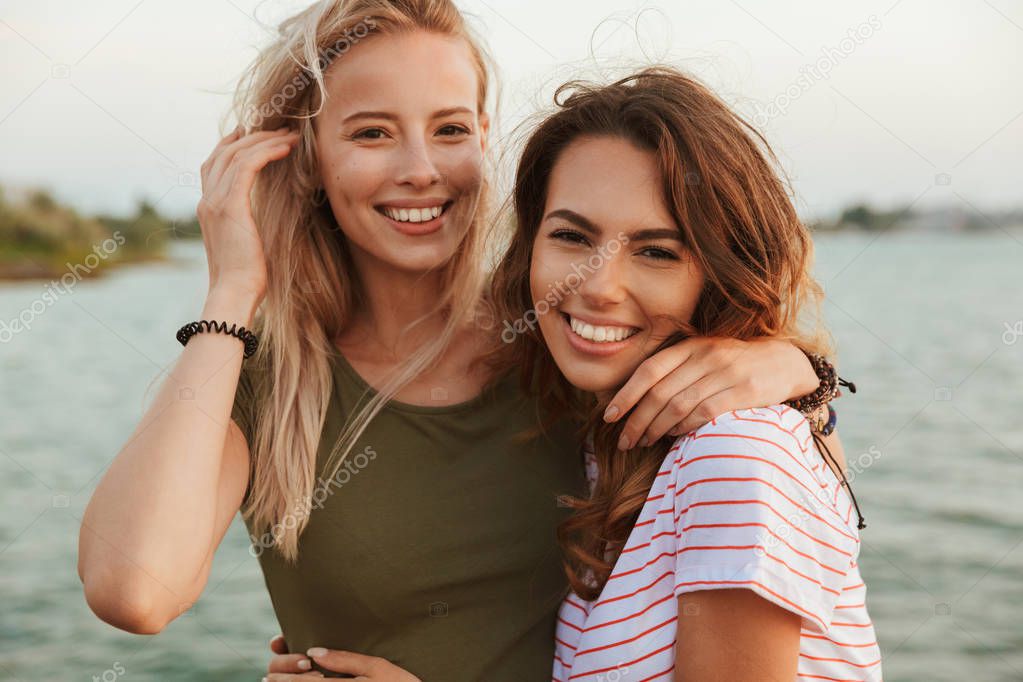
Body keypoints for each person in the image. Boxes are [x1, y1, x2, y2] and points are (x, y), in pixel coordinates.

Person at [76, 2, 836, 680]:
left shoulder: (562, 335)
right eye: (372, 133)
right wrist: (233, 290)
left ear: (482, 138)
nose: (419, 171)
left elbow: (755, 476)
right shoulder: (266, 379)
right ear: (305, 158)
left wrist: (799, 365)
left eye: (449, 130)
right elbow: (134, 591)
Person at [497, 67, 879, 681]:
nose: (596, 287)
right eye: (571, 235)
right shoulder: (618, 432)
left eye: (656, 251)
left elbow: (759, 465)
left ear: (722, 272)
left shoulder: (731, 456)